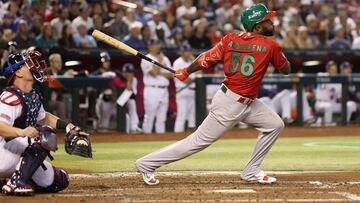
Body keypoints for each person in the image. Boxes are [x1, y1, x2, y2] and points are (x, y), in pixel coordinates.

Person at [136, 4, 290, 185]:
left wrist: (186, 71)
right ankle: (146, 164)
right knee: (196, 142)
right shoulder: (270, 45)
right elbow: (286, 69)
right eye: (267, 21)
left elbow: (205, 58)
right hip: (230, 104)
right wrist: (277, 52)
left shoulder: (230, 38)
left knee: (275, 124)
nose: (272, 23)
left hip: (246, 102)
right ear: (257, 27)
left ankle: (251, 170)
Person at [0, 50, 90, 195]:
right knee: (44, 135)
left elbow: (44, 118)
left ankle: (6, 181)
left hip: (16, 152)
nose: (35, 66)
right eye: (28, 63)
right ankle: (17, 182)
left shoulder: (32, 95)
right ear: (18, 73)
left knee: (60, 180)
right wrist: (22, 132)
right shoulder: (10, 96)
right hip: (2, 152)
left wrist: (69, 126)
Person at [141, 38, 173, 134]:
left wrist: (160, 71)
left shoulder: (165, 58)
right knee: (149, 116)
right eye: (155, 44)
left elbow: (171, 75)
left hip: (164, 90)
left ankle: (160, 139)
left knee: (162, 117)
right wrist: (159, 62)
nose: (157, 46)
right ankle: (145, 138)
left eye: (158, 44)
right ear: (149, 46)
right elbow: (154, 73)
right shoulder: (146, 58)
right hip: (152, 90)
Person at [314, 61, 357, 125]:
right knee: (328, 106)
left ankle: (344, 124)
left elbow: (341, 98)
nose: (334, 71)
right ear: (327, 70)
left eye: (335, 70)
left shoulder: (338, 82)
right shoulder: (321, 75)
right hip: (320, 103)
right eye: (332, 70)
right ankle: (327, 126)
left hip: (333, 103)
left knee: (351, 105)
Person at [173, 43, 196, 133]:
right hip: (183, 91)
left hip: (193, 91)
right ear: (181, 52)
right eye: (185, 51)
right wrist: (195, 79)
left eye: (188, 51)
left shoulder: (192, 62)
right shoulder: (177, 62)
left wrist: (194, 61)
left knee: (192, 116)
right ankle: (177, 136)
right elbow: (185, 79)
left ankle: (191, 138)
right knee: (181, 115)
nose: (187, 53)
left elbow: (200, 74)